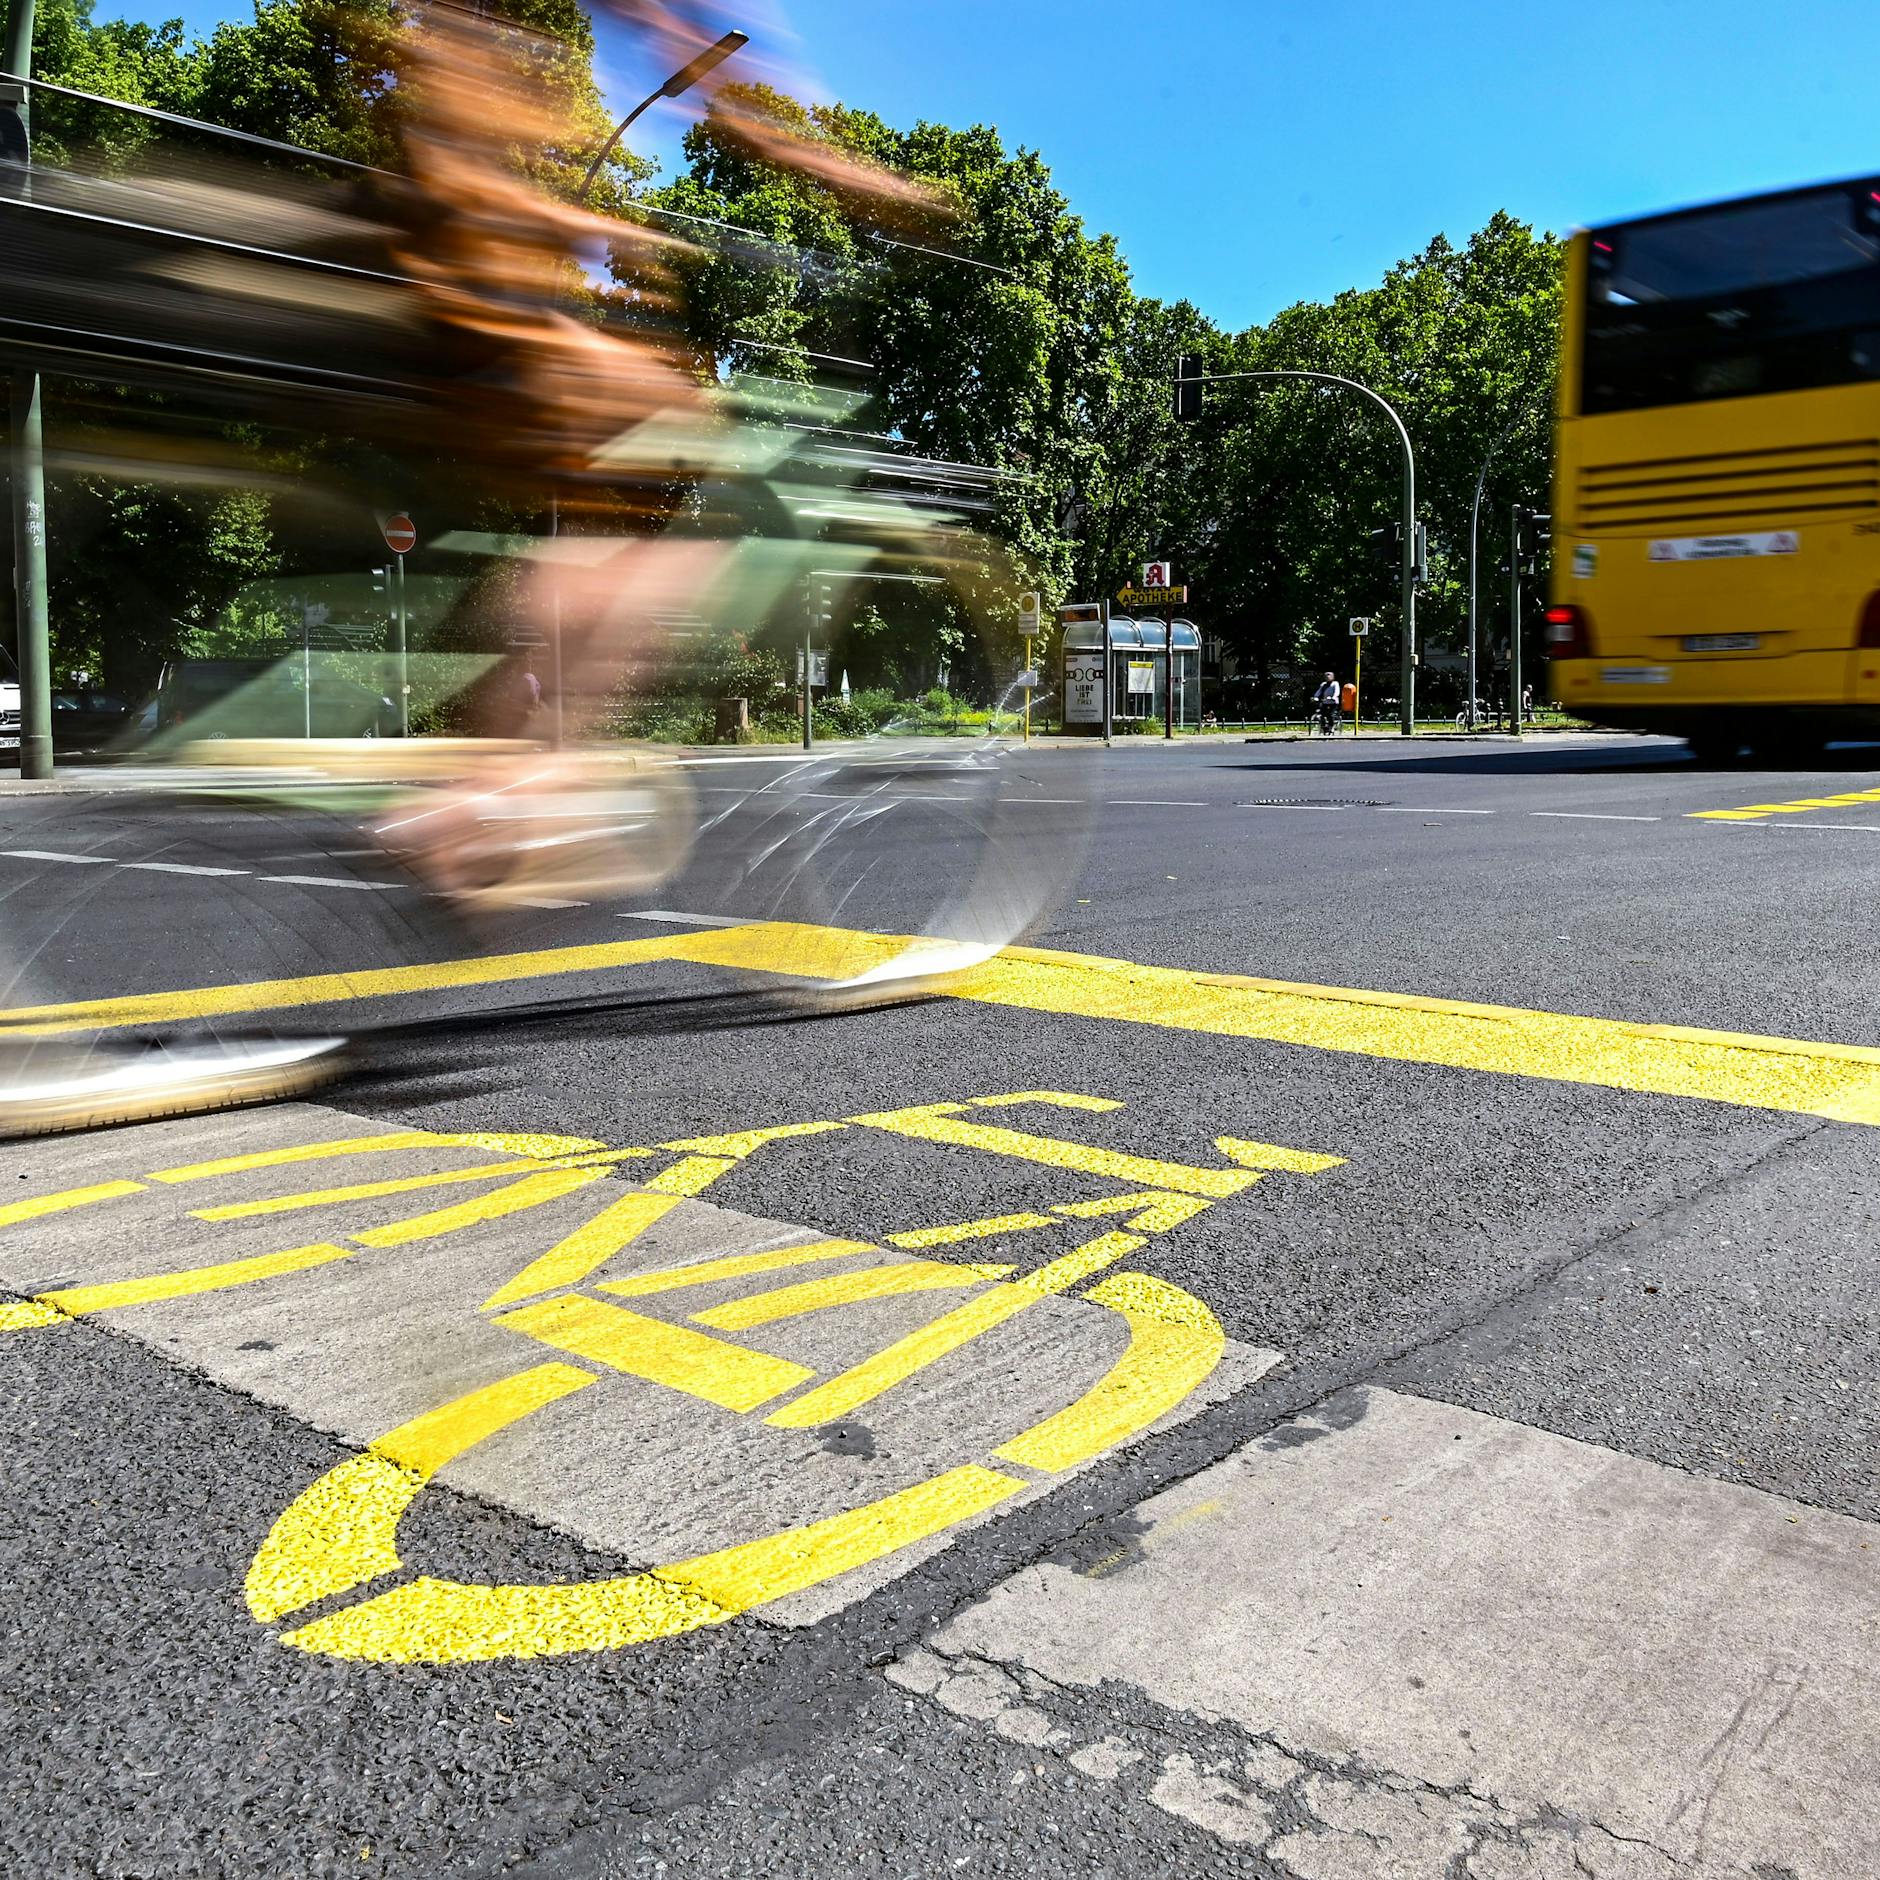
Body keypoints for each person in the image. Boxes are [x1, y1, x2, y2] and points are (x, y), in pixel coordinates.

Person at [1312, 671, 1339, 736]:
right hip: (1325, 702)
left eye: (1329, 676)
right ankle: (1323, 727)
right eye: (1326, 676)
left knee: (1330, 714)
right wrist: (1315, 697)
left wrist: (1333, 697)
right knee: (1322, 714)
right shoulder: (1323, 684)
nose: (1328, 677)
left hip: (1333, 702)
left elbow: (1337, 691)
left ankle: (1331, 727)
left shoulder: (1335, 684)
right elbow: (1319, 692)